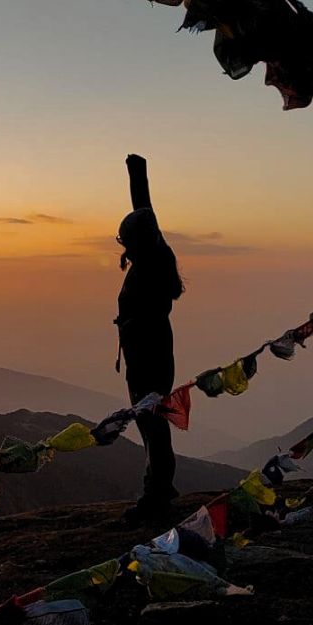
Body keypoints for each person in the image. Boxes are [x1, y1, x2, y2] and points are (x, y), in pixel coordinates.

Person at [115, 154, 184, 525]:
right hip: (150, 352)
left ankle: (156, 496)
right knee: (151, 425)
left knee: (152, 426)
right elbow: (145, 210)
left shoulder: (152, 264)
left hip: (149, 357)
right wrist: (136, 171)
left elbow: (146, 215)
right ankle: (158, 490)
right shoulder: (154, 253)